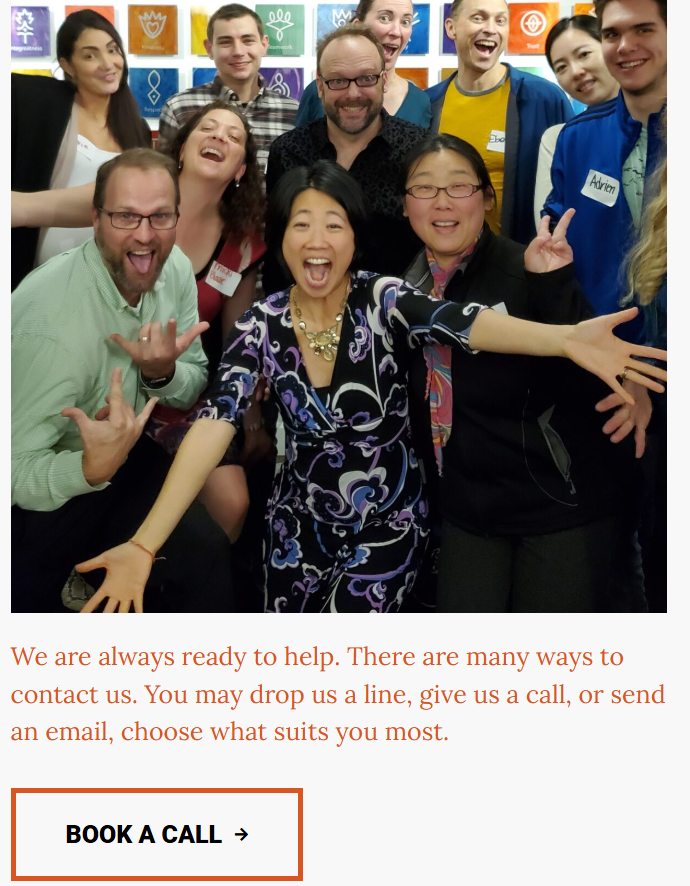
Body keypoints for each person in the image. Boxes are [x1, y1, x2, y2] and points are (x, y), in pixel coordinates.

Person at [74, 161, 666, 615]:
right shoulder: (263, 321)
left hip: (389, 525)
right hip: (295, 528)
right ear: (282, 238)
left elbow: (466, 323)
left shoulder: (382, 298)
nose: (318, 240)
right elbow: (215, 421)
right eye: (301, 224)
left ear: (354, 236)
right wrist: (145, 544)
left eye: (334, 224)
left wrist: (563, 338)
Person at [401, 133, 657, 611]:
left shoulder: (530, 268)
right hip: (466, 514)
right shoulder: (401, 293)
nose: (442, 203)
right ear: (404, 204)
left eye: (459, 186)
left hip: (556, 511)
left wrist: (556, 288)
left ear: (487, 196)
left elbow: (588, 379)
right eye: (424, 188)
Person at [11, 149, 233, 613]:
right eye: (126, 216)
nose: (145, 236)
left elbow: (193, 385)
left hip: (123, 456)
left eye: (160, 217)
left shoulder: (172, 270)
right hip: (44, 490)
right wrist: (88, 470)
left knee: (204, 555)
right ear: (95, 220)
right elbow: (10, 471)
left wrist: (160, 373)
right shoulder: (51, 331)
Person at [146, 101, 269, 543]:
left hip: (183, 393)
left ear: (240, 170)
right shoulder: (134, 199)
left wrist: (251, 417)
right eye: (209, 128)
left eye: (234, 137)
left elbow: (238, 340)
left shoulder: (242, 243)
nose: (220, 137)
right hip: (106, 381)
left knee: (233, 501)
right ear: (180, 148)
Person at [265, 23, 427, 290]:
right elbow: (276, 249)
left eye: (366, 78)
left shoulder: (419, 151)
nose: (353, 93)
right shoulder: (287, 151)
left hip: (393, 320)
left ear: (383, 81)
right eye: (338, 81)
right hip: (302, 316)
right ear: (320, 86)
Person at [542, 0, 666, 335]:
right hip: (602, 351)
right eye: (612, 33)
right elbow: (558, 232)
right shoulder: (575, 139)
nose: (626, 46)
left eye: (643, 29)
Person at [11, 9, 151, 289]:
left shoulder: (137, 129)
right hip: (36, 278)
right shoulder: (39, 102)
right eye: (90, 55)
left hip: (108, 282)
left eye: (113, 51)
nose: (107, 63)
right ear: (68, 65)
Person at [426, 0, 572, 244]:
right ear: (451, 28)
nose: (491, 28)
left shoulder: (544, 99)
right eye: (479, 18)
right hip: (445, 267)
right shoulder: (428, 105)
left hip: (523, 266)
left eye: (500, 20)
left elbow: (571, 183)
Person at [157, 3, 298, 172]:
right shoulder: (178, 108)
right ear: (209, 49)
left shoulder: (293, 111)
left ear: (264, 45)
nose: (238, 51)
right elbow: (166, 179)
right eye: (226, 42)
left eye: (248, 40)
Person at [534, 15, 620, 225]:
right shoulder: (565, 137)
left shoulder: (657, 121)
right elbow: (551, 223)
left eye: (584, 54)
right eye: (561, 67)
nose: (576, 72)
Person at [295, 0, 431, 128]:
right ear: (358, 27)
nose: (396, 31)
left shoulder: (420, 102)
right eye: (385, 18)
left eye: (405, 22)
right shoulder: (320, 91)